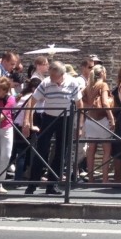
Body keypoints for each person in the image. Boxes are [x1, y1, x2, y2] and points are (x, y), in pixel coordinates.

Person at [21, 60, 83, 195]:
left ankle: (52, 184)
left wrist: (79, 125)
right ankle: (32, 184)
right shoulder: (46, 82)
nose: (52, 79)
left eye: (55, 77)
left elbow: (80, 104)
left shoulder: (73, 83)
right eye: (51, 76)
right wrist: (27, 121)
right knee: (41, 150)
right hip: (48, 118)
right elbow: (32, 100)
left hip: (65, 119)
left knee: (61, 152)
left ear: (62, 74)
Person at [82, 65, 116, 183]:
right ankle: (105, 179)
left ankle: (90, 179)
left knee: (91, 150)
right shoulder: (103, 85)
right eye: (105, 72)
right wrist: (111, 118)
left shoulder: (88, 86)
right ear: (102, 73)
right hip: (102, 120)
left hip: (90, 120)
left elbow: (81, 102)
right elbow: (105, 103)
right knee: (107, 149)